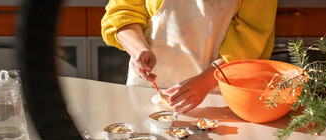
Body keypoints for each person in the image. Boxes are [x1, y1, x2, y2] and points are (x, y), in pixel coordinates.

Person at [101, 0, 278, 113]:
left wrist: (206, 81)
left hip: (218, 93)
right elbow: (122, 12)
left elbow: (251, 38)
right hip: (146, 89)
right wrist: (138, 49)